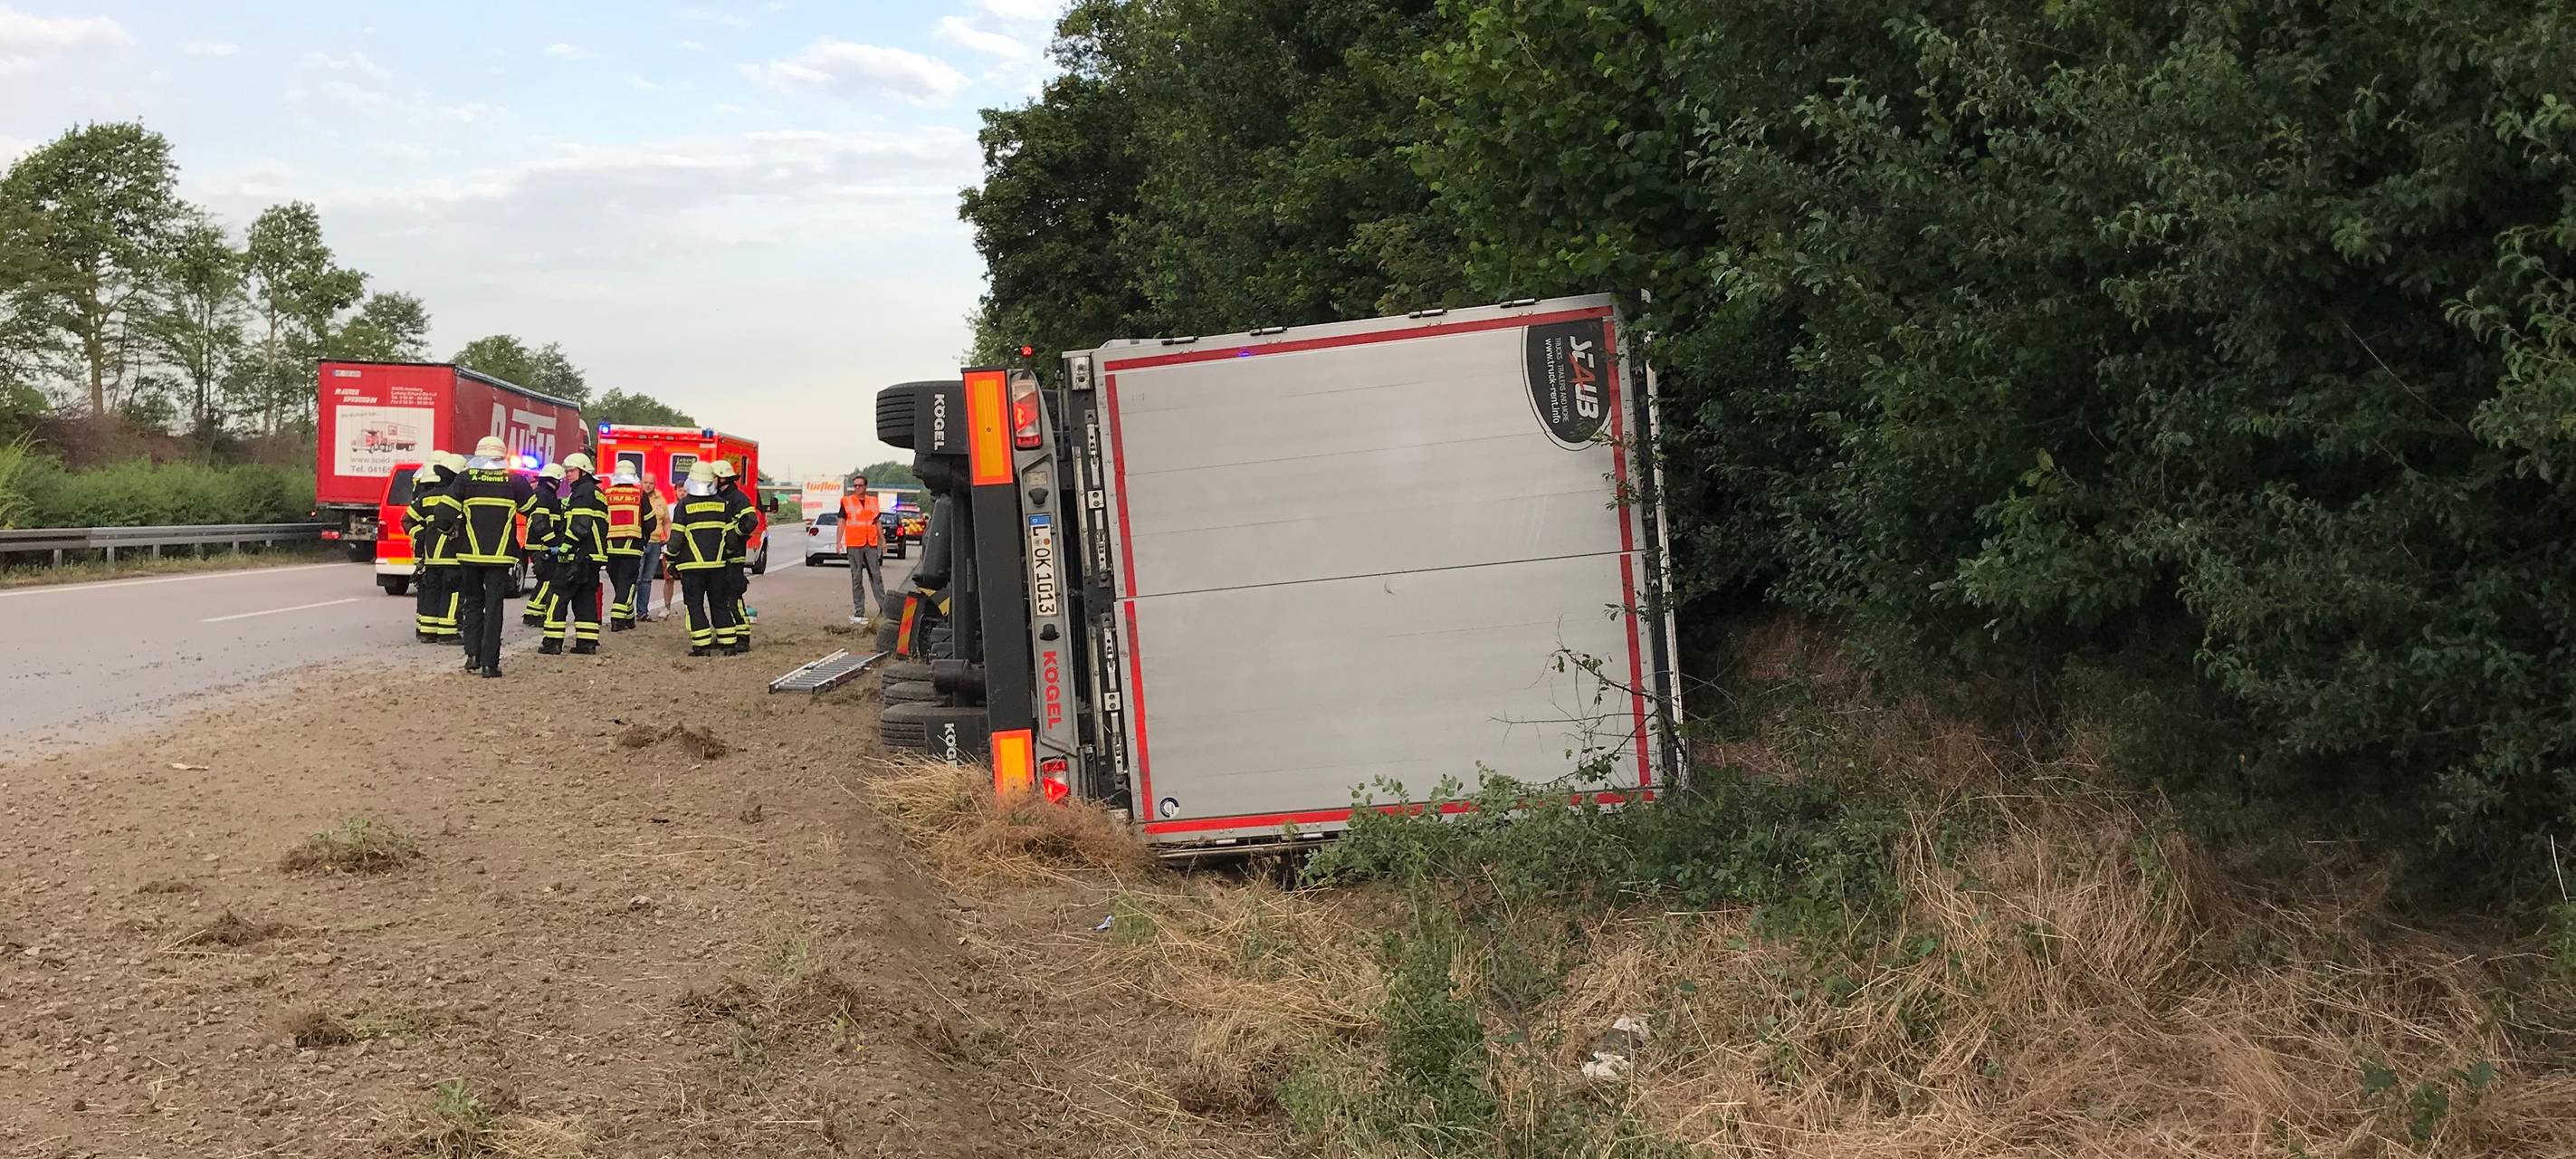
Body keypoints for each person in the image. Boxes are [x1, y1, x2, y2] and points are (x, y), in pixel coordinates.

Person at [442, 437, 533, 678]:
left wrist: (450, 532)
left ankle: (472, 655)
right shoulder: (514, 481)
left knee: (472, 602)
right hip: (500, 557)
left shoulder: (465, 478)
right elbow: (534, 510)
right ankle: (490, 665)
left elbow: (443, 514)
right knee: (494, 607)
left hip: (469, 554)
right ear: (502, 456)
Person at [669, 463, 739, 656]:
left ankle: (702, 645)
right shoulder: (722, 504)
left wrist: (670, 559)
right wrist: (728, 556)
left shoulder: (684, 505)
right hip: (717, 566)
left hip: (691, 566)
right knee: (719, 603)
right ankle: (729, 643)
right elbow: (731, 538)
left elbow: (676, 539)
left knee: (695, 604)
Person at [549, 452, 608, 655]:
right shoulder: (596, 491)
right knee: (585, 598)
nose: (568, 475)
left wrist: (565, 547)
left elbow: (581, 525)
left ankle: (552, 642)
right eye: (566, 471)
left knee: (558, 593)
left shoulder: (583, 491)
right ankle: (587, 642)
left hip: (579, 554)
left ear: (583, 471)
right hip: (593, 556)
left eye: (572, 471)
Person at [406, 455, 457, 642]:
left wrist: (420, 534)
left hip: (431, 556)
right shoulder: (456, 497)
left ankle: (427, 632)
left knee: (431, 592)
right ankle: (447, 633)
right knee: (452, 592)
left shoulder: (426, 498)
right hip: (452, 556)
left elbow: (407, 519)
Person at [600, 465, 655, 630]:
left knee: (620, 583)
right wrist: (644, 536)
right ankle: (617, 618)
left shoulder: (606, 494)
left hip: (610, 548)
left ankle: (629, 616)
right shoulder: (639, 494)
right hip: (632, 547)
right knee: (628, 583)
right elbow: (651, 522)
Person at [711, 460, 757, 652]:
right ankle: (726, 635)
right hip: (721, 556)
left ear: (721, 478)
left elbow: (750, 521)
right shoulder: (719, 497)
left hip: (733, 557)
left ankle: (742, 637)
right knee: (721, 598)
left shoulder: (737, 498)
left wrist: (733, 536)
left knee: (733, 597)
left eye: (713, 477)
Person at [519, 463, 566, 640]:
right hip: (541, 545)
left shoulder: (546, 495)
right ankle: (533, 614)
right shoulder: (542, 496)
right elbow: (540, 522)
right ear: (555, 481)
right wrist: (552, 542)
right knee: (547, 579)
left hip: (542, 544)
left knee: (545, 579)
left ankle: (536, 612)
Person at [840, 474, 884, 624]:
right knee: (857, 578)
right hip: (854, 544)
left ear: (866, 486)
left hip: (870, 544)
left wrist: (882, 541)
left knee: (876, 576)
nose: (858, 488)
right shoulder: (847, 502)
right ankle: (859, 611)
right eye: (856, 485)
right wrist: (838, 541)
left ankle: (883, 608)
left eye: (860, 485)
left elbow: (877, 522)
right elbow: (841, 522)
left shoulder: (873, 501)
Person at [637, 472, 670, 621]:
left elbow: (666, 520)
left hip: (656, 542)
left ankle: (642, 612)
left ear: (655, 484)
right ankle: (628, 611)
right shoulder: (637, 497)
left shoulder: (660, 500)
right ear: (641, 483)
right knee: (636, 577)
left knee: (647, 579)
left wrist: (668, 536)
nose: (648, 485)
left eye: (651, 483)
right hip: (640, 541)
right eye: (646, 482)